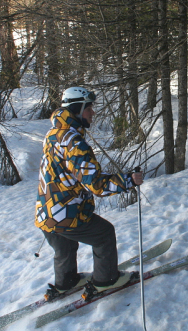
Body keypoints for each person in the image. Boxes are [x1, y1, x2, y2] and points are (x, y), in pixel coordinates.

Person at [35, 86, 144, 300]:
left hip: (46, 213)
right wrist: (128, 180)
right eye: (89, 108)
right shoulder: (74, 143)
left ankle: (66, 281)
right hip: (65, 213)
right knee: (103, 234)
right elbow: (96, 185)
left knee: (64, 243)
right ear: (77, 109)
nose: (92, 113)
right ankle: (105, 281)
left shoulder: (53, 134)